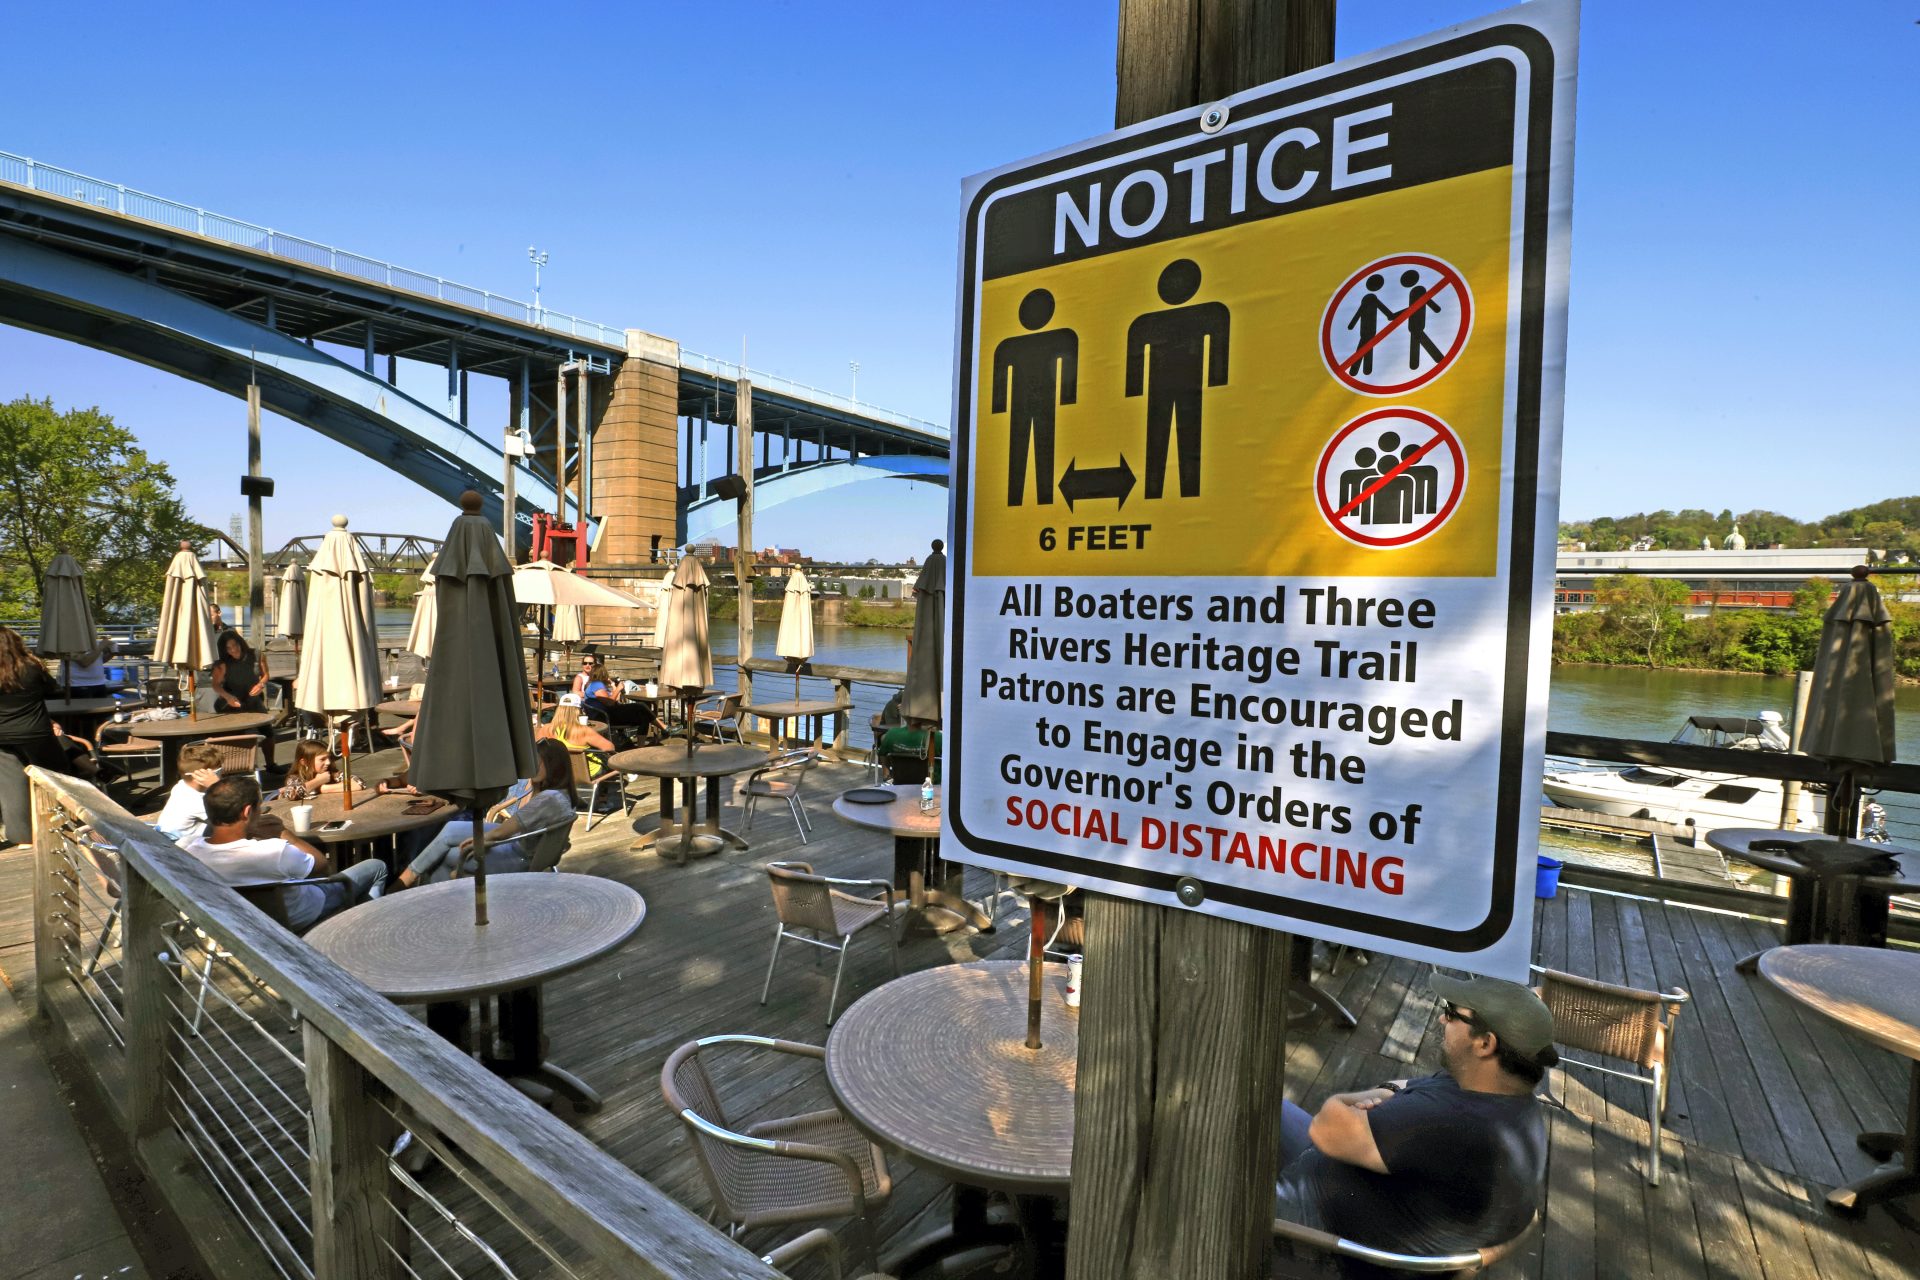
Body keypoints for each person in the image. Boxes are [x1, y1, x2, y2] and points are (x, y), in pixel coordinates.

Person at [1273, 972, 1554, 1256]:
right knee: (1266, 1108)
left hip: (1316, 1225)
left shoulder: (1450, 1121)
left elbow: (1325, 1126)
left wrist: (1343, 1105)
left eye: (1451, 1013)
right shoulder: (1498, 1093)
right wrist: (1384, 1095)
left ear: (1485, 1043)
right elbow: (1402, 1087)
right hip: (1340, 1176)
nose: (1443, 1019)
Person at [180, 776, 384, 931]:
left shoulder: (189, 852)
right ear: (247, 812)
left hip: (239, 925)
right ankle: (367, 932)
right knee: (376, 867)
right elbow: (323, 867)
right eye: (260, 807)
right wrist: (284, 834)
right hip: (297, 917)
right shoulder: (273, 851)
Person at [395, 738, 577, 886]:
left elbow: (505, 830)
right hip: (521, 841)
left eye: (538, 763)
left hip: (518, 854)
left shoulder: (548, 799)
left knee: (449, 855)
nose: (532, 767)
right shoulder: (560, 793)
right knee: (450, 829)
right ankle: (410, 879)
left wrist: (482, 840)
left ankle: (424, 890)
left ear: (554, 766)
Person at [0, 626, 69, 847]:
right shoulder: (31, 666)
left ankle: (23, 838)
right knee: (57, 776)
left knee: (12, 786)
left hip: (2, 736)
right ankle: (63, 821)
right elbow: (53, 689)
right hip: (36, 732)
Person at [155, 742, 226, 844]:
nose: (222, 772)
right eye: (218, 770)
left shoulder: (182, 785)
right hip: (178, 844)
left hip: (174, 836)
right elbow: (229, 814)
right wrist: (216, 786)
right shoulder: (192, 800)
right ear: (198, 776)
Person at [209, 629, 269, 713]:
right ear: (224, 650)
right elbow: (215, 685)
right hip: (231, 702)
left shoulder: (257, 654)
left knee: (265, 724)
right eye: (228, 648)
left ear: (240, 642)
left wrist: (261, 685)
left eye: (235, 645)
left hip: (253, 700)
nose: (233, 650)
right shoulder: (223, 663)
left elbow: (266, 675)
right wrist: (227, 696)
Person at [285, 740, 365, 796]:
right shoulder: (295, 778)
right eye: (322, 759)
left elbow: (358, 783)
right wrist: (318, 781)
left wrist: (324, 788)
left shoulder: (331, 773)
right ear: (304, 762)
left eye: (328, 758)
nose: (328, 762)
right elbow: (292, 793)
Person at [880, 716, 942, 785]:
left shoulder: (891, 734)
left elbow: (883, 754)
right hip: (930, 787)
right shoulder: (938, 737)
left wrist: (886, 775)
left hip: (900, 785)